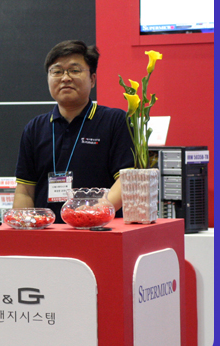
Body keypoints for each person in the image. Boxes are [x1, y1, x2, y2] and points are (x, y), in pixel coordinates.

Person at [13, 40, 134, 222]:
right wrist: (23, 226)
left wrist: (94, 213)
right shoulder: (35, 128)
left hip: (99, 229)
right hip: (47, 231)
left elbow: (126, 180)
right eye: (57, 71)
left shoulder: (115, 121)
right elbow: (25, 191)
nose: (65, 78)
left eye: (74, 70)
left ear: (92, 79)